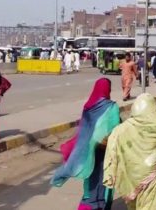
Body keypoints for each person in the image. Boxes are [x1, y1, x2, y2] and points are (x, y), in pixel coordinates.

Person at [52, 78, 121, 210]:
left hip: (89, 152)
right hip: (106, 153)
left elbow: (84, 129)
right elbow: (116, 130)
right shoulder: (111, 107)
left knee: (90, 186)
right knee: (105, 185)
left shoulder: (88, 106)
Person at [103, 93, 156, 210]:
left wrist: (110, 174)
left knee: (133, 205)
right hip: (150, 175)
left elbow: (111, 152)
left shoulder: (120, 130)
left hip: (129, 175)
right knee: (148, 204)